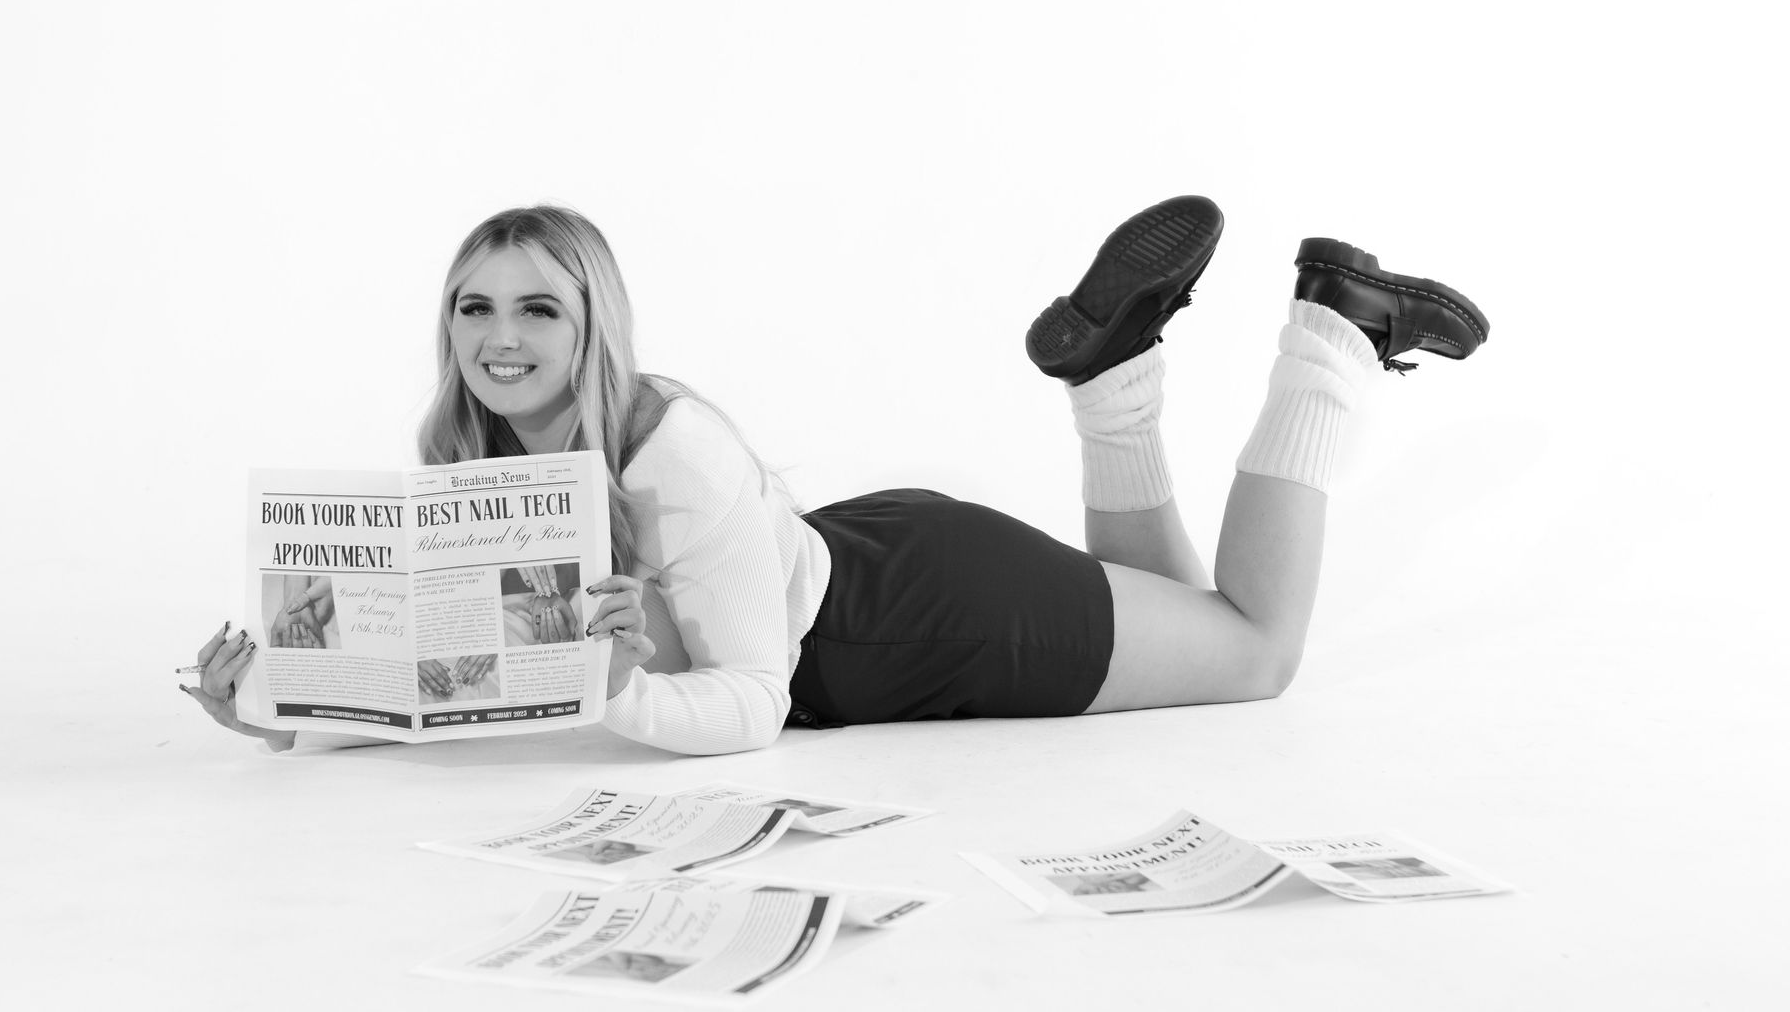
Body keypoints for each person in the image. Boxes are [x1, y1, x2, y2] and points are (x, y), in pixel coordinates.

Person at [183, 198, 1488, 755]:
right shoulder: (464, 456)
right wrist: (291, 705)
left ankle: (1337, 331)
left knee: (1251, 651)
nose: (500, 338)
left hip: (908, 620)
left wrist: (623, 688)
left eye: (537, 307)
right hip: (863, 566)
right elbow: (454, 677)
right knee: (1174, 611)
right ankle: (1115, 373)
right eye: (474, 308)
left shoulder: (673, 451)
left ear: (596, 322)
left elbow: (750, 702)